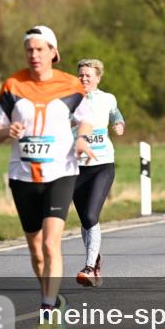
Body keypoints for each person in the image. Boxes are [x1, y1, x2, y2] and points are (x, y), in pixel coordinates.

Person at [0, 27, 96, 329]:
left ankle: (48, 312)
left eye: (40, 50)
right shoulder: (12, 85)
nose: (34, 56)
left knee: (51, 244)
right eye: (29, 51)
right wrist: (6, 130)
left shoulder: (71, 84)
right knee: (36, 252)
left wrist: (82, 139)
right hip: (23, 177)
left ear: (53, 51)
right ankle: (53, 299)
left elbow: (86, 118)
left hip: (61, 172)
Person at [72, 59, 125, 287]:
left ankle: (90, 266)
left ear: (98, 77)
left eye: (89, 75)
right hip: (76, 167)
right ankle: (95, 259)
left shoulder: (107, 98)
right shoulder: (69, 100)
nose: (84, 78)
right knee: (85, 219)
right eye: (81, 75)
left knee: (92, 216)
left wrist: (119, 124)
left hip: (102, 164)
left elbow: (116, 114)